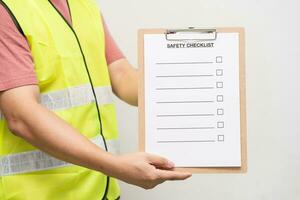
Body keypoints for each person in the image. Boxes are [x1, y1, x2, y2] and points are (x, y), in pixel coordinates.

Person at [0, 0, 191, 199]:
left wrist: (187, 79)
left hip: (102, 191)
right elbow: (20, 115)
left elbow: (121, 76)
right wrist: (115, 166)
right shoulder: (7, 10)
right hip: (41, 194)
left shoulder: (84, 6)